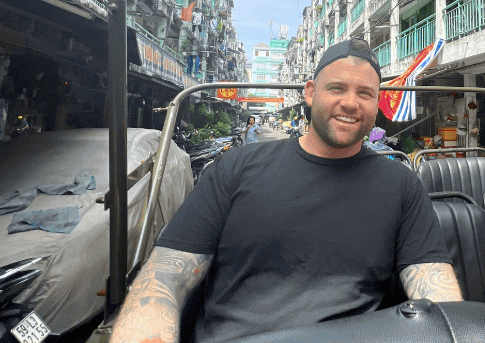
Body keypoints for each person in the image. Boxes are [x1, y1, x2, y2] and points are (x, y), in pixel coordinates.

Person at [110, 39, 460, 343]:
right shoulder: (235, 169)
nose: (351, 103)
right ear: (310, 93)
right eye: (337, 88)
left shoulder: (401, 184)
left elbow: (435, 289)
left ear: (376, 102)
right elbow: (163, 278)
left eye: (365, 93)